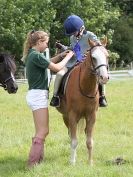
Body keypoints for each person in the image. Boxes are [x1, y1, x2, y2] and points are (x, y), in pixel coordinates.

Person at [22, 30, 74, 167]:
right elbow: (56, 68)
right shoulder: (36, 56)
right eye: (45, 42)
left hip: (36, 94)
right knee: (43, 131)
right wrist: (69, 57)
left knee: (41, 130)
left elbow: (48, 62)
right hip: (38, 95)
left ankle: (38, 161)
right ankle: (32, 164)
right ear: (39, 42)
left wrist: (61, 55)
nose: (47, 45)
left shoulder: (33, 55)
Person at [50, 15, 108, 107]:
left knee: (99, 74)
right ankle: (55, 96)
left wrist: (89, 53)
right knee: (60, 74)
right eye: (71, 33)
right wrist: (62, 47)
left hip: (86, 64)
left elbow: (98, 47)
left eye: (74, 32)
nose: (73, 34)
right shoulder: (72, 38)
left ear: (81, 28)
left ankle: (102, 97)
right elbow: (72, 49)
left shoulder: (90, 35)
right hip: (72, 62)